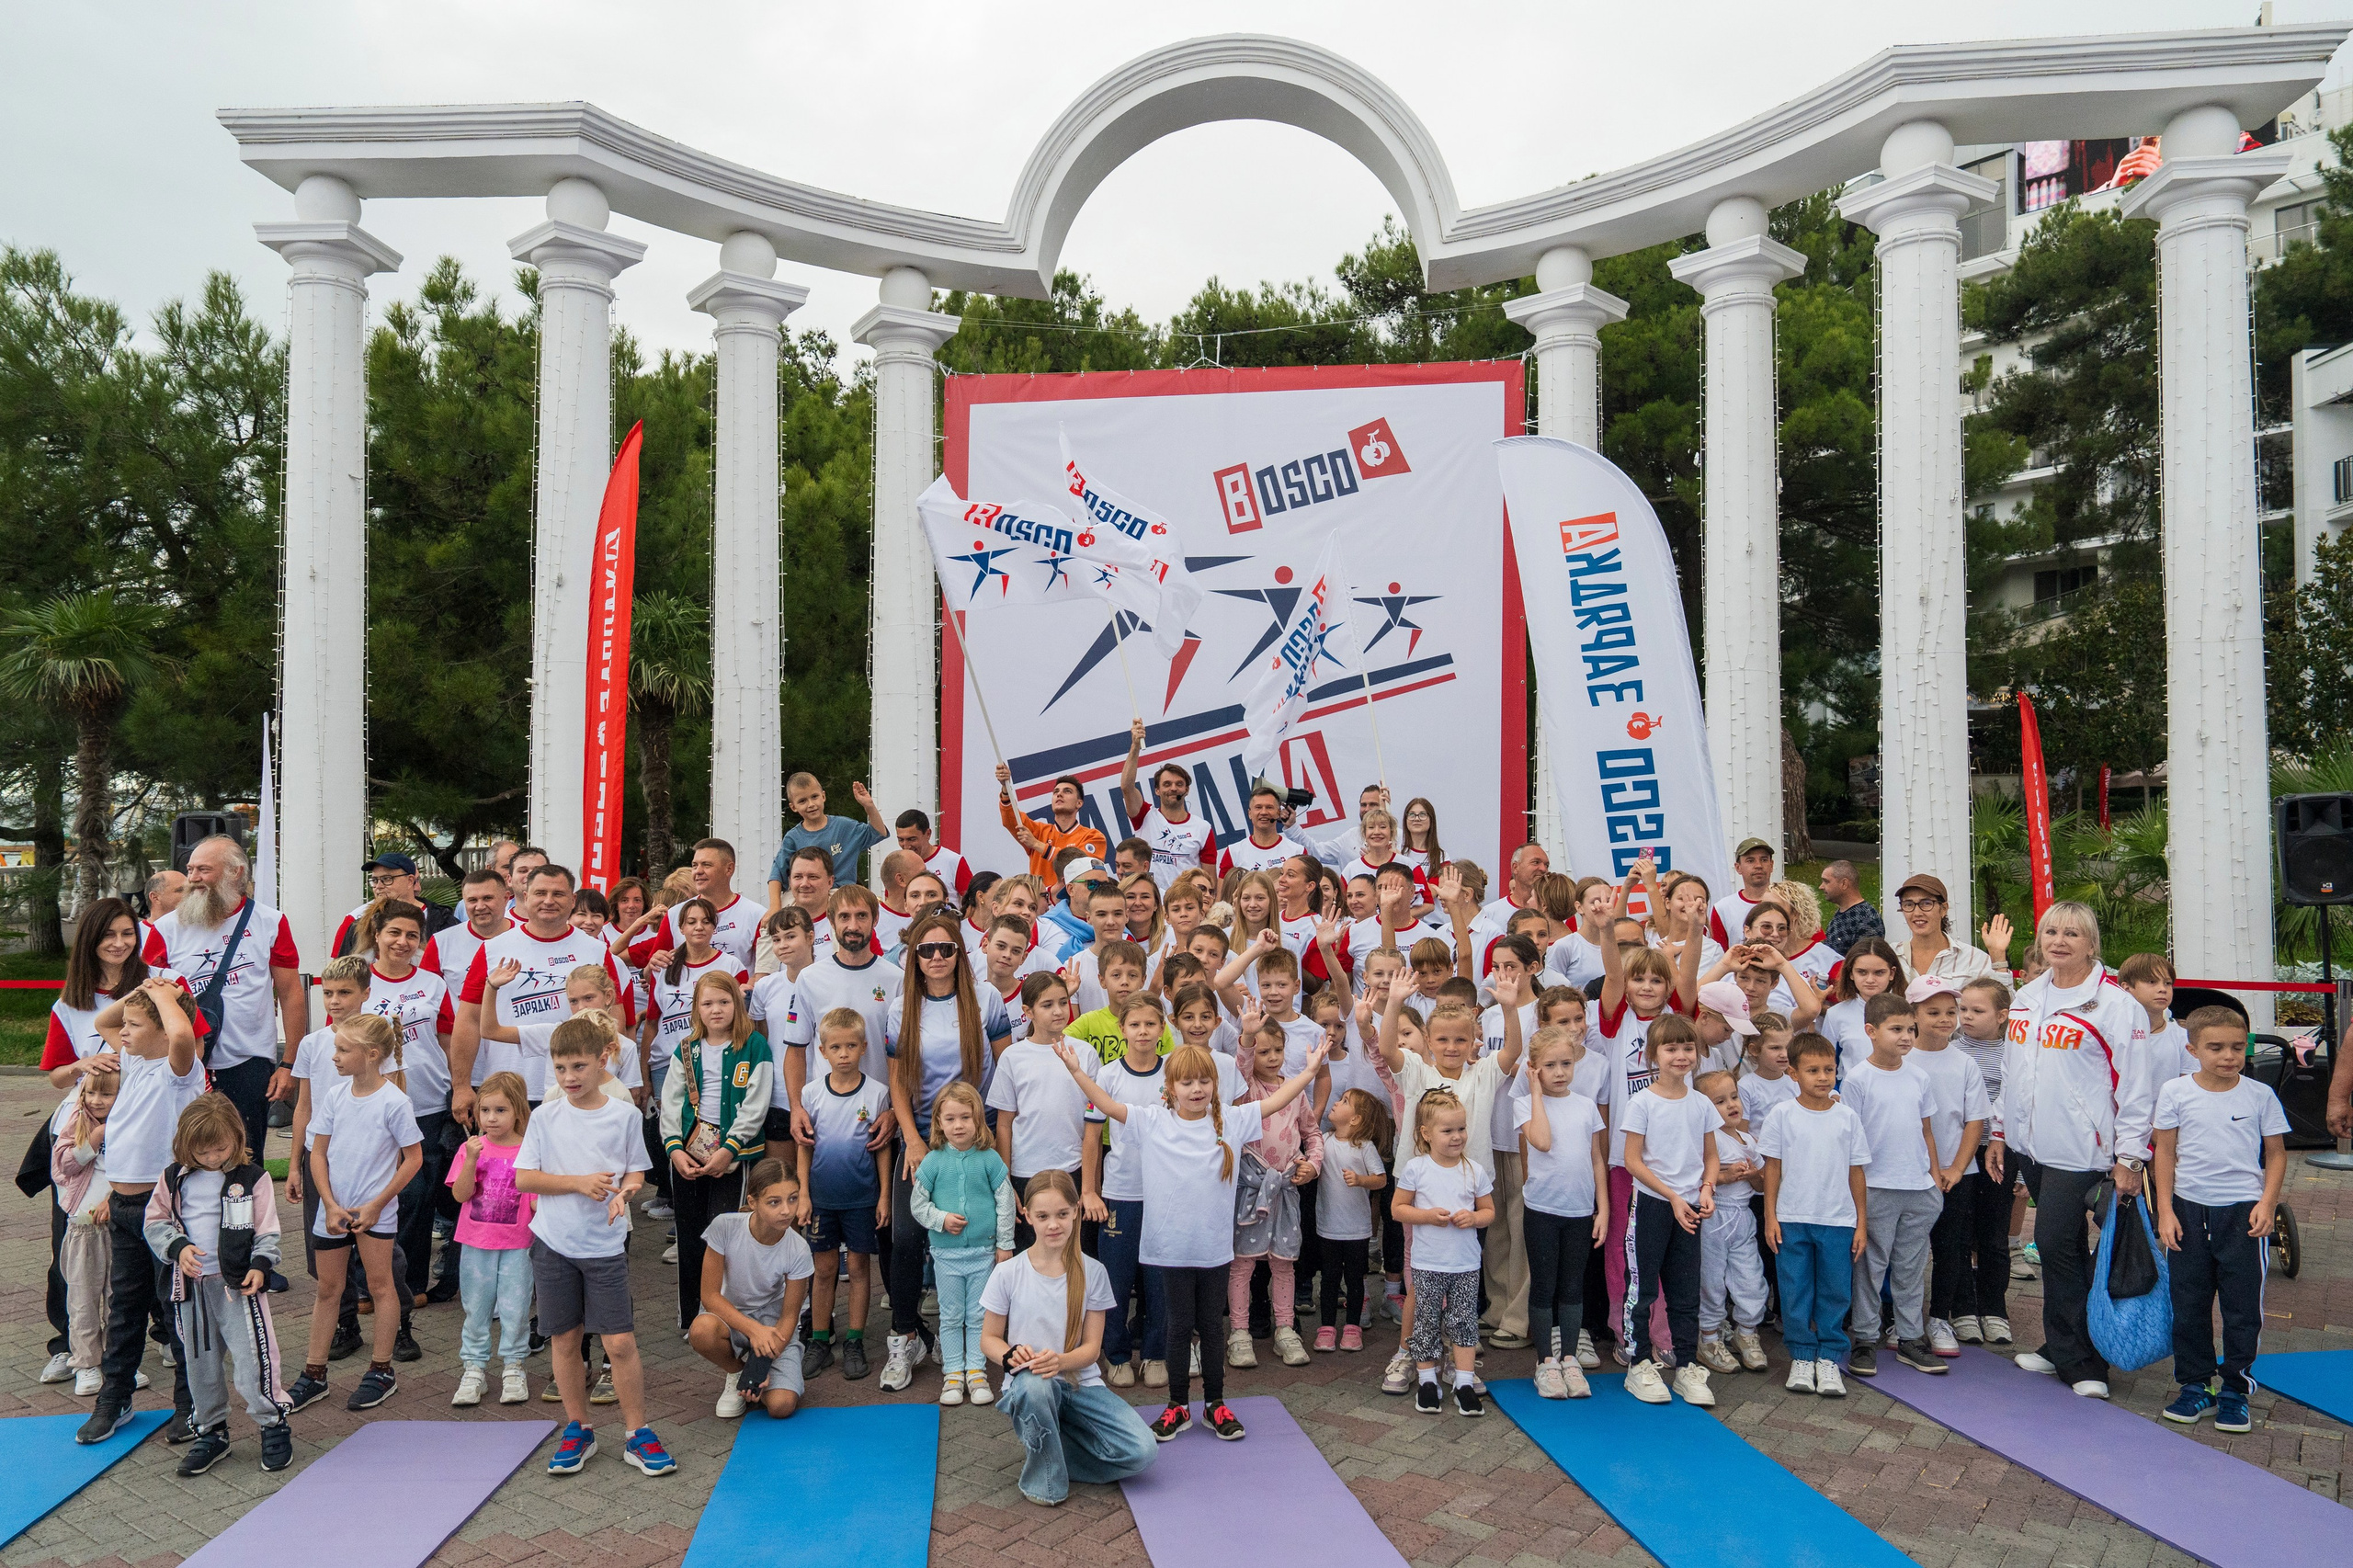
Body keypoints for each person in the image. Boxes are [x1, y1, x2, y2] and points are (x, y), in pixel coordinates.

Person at [1054, 1038, 1327, 1442]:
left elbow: (1276, 1102)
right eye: (1187, 1082)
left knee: (1212, 1329)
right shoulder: (1153, 1120)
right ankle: (1178, 1406)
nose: (1196, 1089)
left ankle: (1215, 1405)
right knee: (1178, 1327)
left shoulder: (1232, 1120)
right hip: (1170, 1249)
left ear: (1215, 1085)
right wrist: (1078, 1071)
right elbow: (1109, 1106)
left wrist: (1309, 1072)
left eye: (1204, 1081)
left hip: (1214, 1248)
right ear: (1170, 1088)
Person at [1987, 901, 2153, 1400]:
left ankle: (2083, 1362)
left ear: (2092, 943)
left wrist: (2131, 1157)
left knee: (2055, 1244)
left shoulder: (2116, 1006)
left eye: (2072, 934)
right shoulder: (2028, 995)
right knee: (2069, 1249)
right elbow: (2013, 1070)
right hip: (2030, 1146)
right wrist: (2000, 1131)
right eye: (2051, 932)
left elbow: (2136, 1087)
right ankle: (2063, 1343)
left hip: (2082, 1150)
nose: (2059, 941)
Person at [515, 1017, 669, 1476]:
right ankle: (578, 1428)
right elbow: (525, 1179)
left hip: (604, 1246)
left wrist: (626, 1194)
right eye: (560, 1068)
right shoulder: (544, 1116)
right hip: (553, 1244)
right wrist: (578, 1183)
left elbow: (635, 1173)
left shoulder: (625, 1115)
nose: (569, 1077)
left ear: (603, 1060)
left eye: (579, 1066)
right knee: (565, 1339)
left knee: (619, 1342)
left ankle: (637, 1433)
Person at [76, 978, 203, 1445]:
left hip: (163, 1210)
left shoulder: (180, 1071)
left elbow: (183, 1034)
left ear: (163, 1030)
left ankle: (192, 1403)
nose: (123, 1031)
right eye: (126, 1024)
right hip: (125, 1208)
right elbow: (102, 1021)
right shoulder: (134, 1060)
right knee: (125, 1308)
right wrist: (143, 992)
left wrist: (166, 997)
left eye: (135, 1024)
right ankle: (115, 1398)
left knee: (175, 1310)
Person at [983, 1170, 1159, 1504]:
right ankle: (1045, 1478)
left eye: (1062, 1214)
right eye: (1043, 1216)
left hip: (1082, 1384)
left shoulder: (1094, 1272)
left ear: (1076, 1211)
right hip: (1032, 1385)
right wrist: (1009, 1356)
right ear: (1027, 1216)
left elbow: (1092, 1350)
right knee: (1035, 1386)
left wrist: (1060, 1362)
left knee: (1143, 1452)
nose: (1053, 1224)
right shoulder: (1008, 1272)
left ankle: (1051, 1451)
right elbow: (989, 1339)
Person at [2154, 1006, 2288, 1435]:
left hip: (2242, 1215)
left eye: (2237, 1047)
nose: (2229, 1056)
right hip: (2187, 1213)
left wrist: (2267, 1203)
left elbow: (2276, 1154)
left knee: (2242, 1307)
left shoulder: (2260, 1095)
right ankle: (2196, 1385)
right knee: (2188, 1304)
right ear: (2193, 1049)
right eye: (2216, 1047)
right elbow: (2164, 1153)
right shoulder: (2175, 1092)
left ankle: (2235, 1389)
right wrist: (2166, 1211)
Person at [142, 1094, 292, 1476]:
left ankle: (272, 1423)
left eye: (220, 1149)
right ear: (185, 1144)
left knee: (253, 1362)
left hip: (238, 1290)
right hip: (191, 1290)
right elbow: (155, 1222)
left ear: (237, 1138)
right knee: (200, 1366)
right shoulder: (173, 1178)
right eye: (202, 1151)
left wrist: (261, 1265)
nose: (211, 1157)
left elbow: (267, 1230)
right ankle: (212, 1431)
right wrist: (178, 1248)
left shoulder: (253, 1178)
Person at [142, 835, 305, 1177]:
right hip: (184, 1063)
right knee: (183, 1156)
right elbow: (145, 999)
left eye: (204, 869)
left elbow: (291, 993)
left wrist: (289, 1063)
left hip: (248, 1062)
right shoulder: (166, 929)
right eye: (190, 870)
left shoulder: (270, 922)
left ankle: (245, 1212)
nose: (193, 878)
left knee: (245, 1158)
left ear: (236, 872)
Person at [285, 1014, 421, 1415]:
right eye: (336, 1049)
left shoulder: (395, 1101)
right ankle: (315, 1373)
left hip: (375, 1212)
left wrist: (378, 1204)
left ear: (372, 1054)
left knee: (381, 1287)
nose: (335, 1057)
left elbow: (413, 1159)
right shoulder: (334, 1096)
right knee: (328, 1289)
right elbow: (318, 1153)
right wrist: (328, 1203)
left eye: (343, 1050)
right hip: (334, 1210)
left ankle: (381, 1370)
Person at [452, 862, 624, 1126]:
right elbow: (468, 1020)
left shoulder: (596, 950)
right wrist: (462, 1085)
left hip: (577, 1089)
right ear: (525, 896)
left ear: (572, 900)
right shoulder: (492, 950)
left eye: (558, 894)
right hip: (509, 1090)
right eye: (540, 893)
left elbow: (615, 1020)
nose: (548, 901)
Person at [659, 971, 773, 1338]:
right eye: (707, 1003)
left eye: (724, 1002)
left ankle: (724, 1315)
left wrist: (730, 1148)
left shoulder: (754, 1046)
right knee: (690, 1235)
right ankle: (692, 1315)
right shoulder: (686, 1049)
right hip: (688, 1155)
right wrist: (674, 1149)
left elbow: (756, 1103)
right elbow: (671, 1102)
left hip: (733, 1158)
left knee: (724, 1236)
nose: (716, 1010)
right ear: (697, 1009)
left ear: (737, 1005)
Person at [1758, 1033, 1871, 1398]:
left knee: (1835, 1289)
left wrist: (1861, 1223)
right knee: (1794, 1289)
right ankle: (1802, 1356)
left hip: (1838, 1221)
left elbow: (1857, 1172)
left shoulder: (1847, 1117)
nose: (1823, 1077)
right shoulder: (1782, 1115)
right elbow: (1772, 1169)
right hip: (1791, 1218)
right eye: (1812, 1070)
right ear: (1793, 1073)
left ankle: (1829, 1357)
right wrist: (1770, 1216)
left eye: (1829, 1069)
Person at [1618, 1016, 1723, 1406]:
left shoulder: (1701, 1103)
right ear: (1653, 1055)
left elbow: (1711, 1156)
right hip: (1652, 1206)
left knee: (1685, 1291)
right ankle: (1639, 1363)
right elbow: (1633, 1161)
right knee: (1642, 1289)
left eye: (1687, 1048)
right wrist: (1672, 1196)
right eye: (1671, 1048)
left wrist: (1706, 1189)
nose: (1681, 1056)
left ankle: (1686, 1365)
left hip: (1690, 1209)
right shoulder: (1642, 1102)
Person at [1839, 994, 1944, 1377]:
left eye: (1910, 1029)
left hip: (1918, 1188)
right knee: (1870, 1267)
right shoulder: (1857, 1079)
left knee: (1911, 1267)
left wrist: (1934, 1179)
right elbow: (1851, 1140)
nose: (1906, 1037)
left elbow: (1926, 1130)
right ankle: (1865, 1339)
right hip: (1876, 1186)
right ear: (1871, 1031)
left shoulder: (1919, 1077)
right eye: (1896, 1029)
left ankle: (1911, 1338)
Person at [362, 901, 460, 1300]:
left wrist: (460, 1086)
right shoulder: (360, 982)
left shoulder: (434, 984)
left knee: (418, 1196)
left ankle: (410, 1283)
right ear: (377, 936)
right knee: (373, 1192)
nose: (403, 942)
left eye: (412, 936)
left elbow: (449, 1039)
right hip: (373, 1105)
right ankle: (368, 1285)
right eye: (394, 933)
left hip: (427, 1103)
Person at [1084, 992, 1178, 1389]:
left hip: (1164, 1195)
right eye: (1135, 1024)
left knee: (1160, 1282)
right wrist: (1090, 1191)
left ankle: (1156, 1353)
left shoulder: (1173, 1072)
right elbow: (1092, 1137)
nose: (1143, 1031)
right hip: (1121, 1194)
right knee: (1116, 1281)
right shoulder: (1107, 1076)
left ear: (1162, 1029)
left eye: (1150, 1024)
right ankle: (1118, 1355)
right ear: (1121, 1029)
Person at [799, 1008, 893, 1382]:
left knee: (857, 1269)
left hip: (862, 1199)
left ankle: (855, 1341)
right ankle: (820, 1340)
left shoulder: (877, 1092)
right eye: (835, 1047)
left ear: (864, 1047)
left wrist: (884, 1195)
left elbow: (882, 1148)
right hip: (822, 1199)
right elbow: (804, 1146)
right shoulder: (811, 1093)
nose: (843, 1054)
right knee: (823, 1270)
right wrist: (803, 1194)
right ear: (822, 1050)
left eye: (851, 1046)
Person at [1227, 1012, 1324, 1370]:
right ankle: (1239, 1333)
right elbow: (1241, 1063)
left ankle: (1285, 1329)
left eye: (1278, 1051)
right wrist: (1247, 1037)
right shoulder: (1244, 1089)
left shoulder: (1294, 1090)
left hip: (1285, 1189)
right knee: (1242, 1264)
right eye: (1263, 1051)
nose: (1271, 1058)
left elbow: (1312, 1134)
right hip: (1251, 1189)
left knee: (1284, 1264)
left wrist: (1313, 1165)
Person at [1515, 1027, 1605, 1398]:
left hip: (1580, 1212)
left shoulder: (1585, 1106)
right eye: (1549, 1065)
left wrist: (1603, 1209)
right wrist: (1536, 1093)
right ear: (1533, 1068)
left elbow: (1596, 1159)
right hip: (1542, 1210)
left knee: (1572, 1287)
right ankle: (1545, 1363)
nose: (1559, 1072)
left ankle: (1569, 1359)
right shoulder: (1525, 1105)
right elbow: (1542, 1140)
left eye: (1566, 1064)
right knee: (1544, 1285)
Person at [691, 1157, 816, 1420]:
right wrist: (753, 1332)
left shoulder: (799, 1249)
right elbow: (710, 1296)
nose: (786, 1210)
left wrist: (760, 1367)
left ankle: (752, 1378)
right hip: (729, 1315)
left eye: (793, 1199)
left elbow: (789, 1317)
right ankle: (736, 1371)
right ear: (753, 1201)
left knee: (781, 1406)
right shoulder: (724, 1227)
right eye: (774, 1202)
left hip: (773, 1324)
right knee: (701, 1331)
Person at [913, 1081, 1014, 1405]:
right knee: (951, 1315)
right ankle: (953, 1373)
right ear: (939, 1123)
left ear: (978, 1120)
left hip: (984, 1253)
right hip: (946, 1255)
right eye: (951, 1119)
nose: (958, 1125)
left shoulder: (989, 1159)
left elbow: (1005, 1201)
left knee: (980, 1316)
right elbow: (917, 1205)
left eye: (965, 1118)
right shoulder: (932, 1161)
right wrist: (941, 1219)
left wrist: (1005, 1244)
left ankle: (977, 1372)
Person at [1907, 975, 1992, 1358]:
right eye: (1933, 1012)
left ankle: (1940, 1317)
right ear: (1913, 1014)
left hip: (1957, 1175)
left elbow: (1974, 1121)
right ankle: (1901, 1318)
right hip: (1910, 1174)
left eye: (1950, 1012)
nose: (1944, 1019)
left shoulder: (1965, 1062)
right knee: (1905, 1251)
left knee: (1952, 1249)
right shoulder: (1901, 1060)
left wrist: (1957, 1168)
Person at [1393, 1089, 1492, 1415]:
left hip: (1465, 1264)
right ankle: (1427, 1381)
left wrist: (1474, 1218)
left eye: (1461, 1129)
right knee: (1425, 1322)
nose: (1457, 1136)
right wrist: (1426, 1216)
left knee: (1464, 1322)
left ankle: (1463, 1383)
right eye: (1447, 1130)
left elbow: (1489, 1211)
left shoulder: (1475, 1170)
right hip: (1428, 1263)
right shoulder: (1416, 1168)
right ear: (1426, 1133)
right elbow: (1397, 1208)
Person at [779, 885, 903, 1144]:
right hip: (826, 1119)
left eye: (862, 916)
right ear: (831, 921)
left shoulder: (896, 980)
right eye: (844, 917)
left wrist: (895, 1110)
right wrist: (796, 1107)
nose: (853, 926)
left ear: (875, 919)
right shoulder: (810, 978)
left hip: (880, 1119)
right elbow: (796, 1050)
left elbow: (906, 1057)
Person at [448, 1072, 536, 1406]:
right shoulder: (470, 1149)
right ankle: (474, 1368)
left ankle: (514, 1366)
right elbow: (460, 1194)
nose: (491, 1118)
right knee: (476, 1306)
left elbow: (536, 1200)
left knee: (516, 1307)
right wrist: (471, 1159)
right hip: (476, 1243)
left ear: (518, 1111)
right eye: (485, 1110)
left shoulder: (530, 1150)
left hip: (518, 1244)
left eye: (500, 1110)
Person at [989, 971, 1094, 1252]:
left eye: (1063, 1002)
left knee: (1072, 1253)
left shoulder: (1085, 1053)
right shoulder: (1013, 1057)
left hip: (1072, 1168)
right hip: (1026, 1171)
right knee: (1032, 1253)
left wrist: (1089, 1185)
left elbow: (1092, 1125)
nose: (1058, 1011)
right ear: (1028, 1012)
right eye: (1047, 1005)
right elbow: (1004, 1124)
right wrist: (1005, 1181)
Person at [1952, 976, 2018, 1343]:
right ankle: (1962, 1307)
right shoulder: (1952, 1050)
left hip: (1999, 1150)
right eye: (1963, 1009)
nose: (1967, 1017)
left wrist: (2018, 1168)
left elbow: (2019, 1103)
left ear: (2002, 1015)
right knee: (1959, 1231)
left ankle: (1994, 1308)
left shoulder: (2014, 1053)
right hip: (1959, 1152)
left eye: (1977, 1011)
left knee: (1994, 1234)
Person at [52, 1063, 120, 1396]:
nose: (96, 1100)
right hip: (83, 1226)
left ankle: (116, 1360)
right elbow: (63, 1165)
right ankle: (86, 1364)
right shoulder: (77, 1121)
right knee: (82, 1299)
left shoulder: (130, 1124)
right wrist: (93, 1139)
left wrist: (114, 1199)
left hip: (119, 1225)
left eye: (106, 1093)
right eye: (90, 1092)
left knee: (119, 1298)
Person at [1315, 1086, 1391, 1355]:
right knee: (1329, 1279)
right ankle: (1326, 1328)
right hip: (1328, 1226)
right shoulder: (1324, 1140)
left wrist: (1360, 1180)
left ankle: (1352, 1327)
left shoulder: (1364, 1147)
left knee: (1355, 1279)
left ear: (1356, 1119)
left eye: (1345, 1101)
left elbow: (1381, 1180)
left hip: (1357, 1229)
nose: (1336, 1103)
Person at [631, 839, 763, 971]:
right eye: (695, 865)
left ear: (729, 869)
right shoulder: (674, 914)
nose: (698, 871)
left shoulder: (756, 914)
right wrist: (652, 965)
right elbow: (653, 972)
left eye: (706, 865)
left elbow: (764, 972)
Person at [767, 773, 891, 909]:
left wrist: (869, 806)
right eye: (802, 801)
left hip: (842, 894)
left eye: (814, 797)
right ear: (793, 807)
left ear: (823, 796)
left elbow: (878, 832)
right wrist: (774, 907)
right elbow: (777, 874)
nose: (811, 804)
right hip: (807, 895)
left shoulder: (844, 827)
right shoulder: (793, 838)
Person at [996, 765, 1109, 887]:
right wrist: (1005, 788)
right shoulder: (1039, 831)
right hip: (1040, 899)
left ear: (1079, 803)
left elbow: (1082, 868)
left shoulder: (1093, 836)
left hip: (1073, 898)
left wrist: (1036, 844)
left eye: (1067, 791)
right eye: (1056, 792)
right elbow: (1011, 819)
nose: (1059, 794)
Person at [332, 851, 458, 957]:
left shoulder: (443, 921)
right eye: (375, 880)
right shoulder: (359, 924)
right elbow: (342, 970)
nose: (379, 886)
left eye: (387, 879)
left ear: (410, 881)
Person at [1892, 874, 2003, 984]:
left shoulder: (1974, 959)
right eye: (1908, 904)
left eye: (1926, 903)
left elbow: (2002, 995)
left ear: (1944, 909)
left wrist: (1998, 956)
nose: (1917, 913)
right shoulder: (1891, 956)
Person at [1821, 937, 1903, 1074]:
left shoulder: (1908, 1011)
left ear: (1892, 973)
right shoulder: (1835, 1014)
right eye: (1862, 972)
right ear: (1851, 973)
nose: (1870, 980)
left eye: (1879, 973)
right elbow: (1826, 1064)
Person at [1707, 837, 1778, 949]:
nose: (1758, 865)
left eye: (1764, 860)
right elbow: (1719, 953)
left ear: (1771, 865)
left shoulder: (1787, 902)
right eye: (1750, 860)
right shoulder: (1723, 908)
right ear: (1738, 867)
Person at [894, 808, 973, 903]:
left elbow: (972, 902)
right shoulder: (896, 865)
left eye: (912, 839)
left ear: (928, 834)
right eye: (901, 840)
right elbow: (892, 903)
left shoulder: (953, 861)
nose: (906, 846)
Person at [1818, 860, 1884, 955]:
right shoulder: (1842, 913)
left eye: (1826, 881)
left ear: (1844, 884)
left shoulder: (1867, 919)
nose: (1821, 887)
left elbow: (1867, 959)